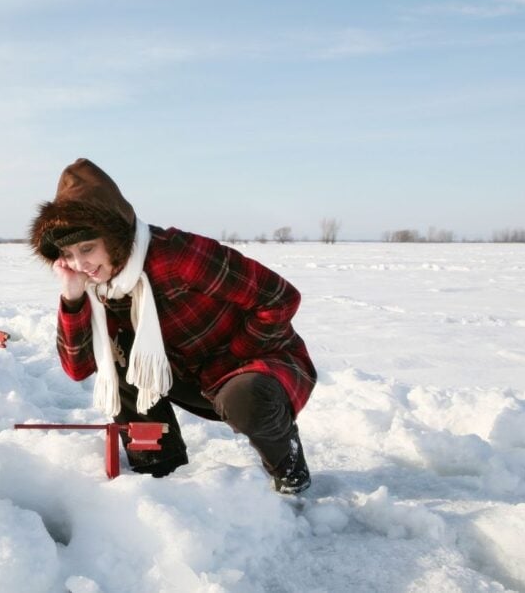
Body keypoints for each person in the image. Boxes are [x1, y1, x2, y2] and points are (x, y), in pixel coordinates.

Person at [29, 158, 316, 494]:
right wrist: (73, 295)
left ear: (115, 237)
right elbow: (79, 368)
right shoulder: (99, 288)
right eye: (69, 253)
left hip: (256, 363)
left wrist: (229, 360)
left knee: (243, 397)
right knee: (118, 353)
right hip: (187, 374)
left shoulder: (176, 256)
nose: (81, 264)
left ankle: (289, 468)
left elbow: (279, 298)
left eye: (88, 248)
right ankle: (157, 477)